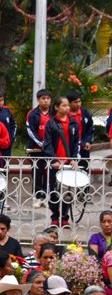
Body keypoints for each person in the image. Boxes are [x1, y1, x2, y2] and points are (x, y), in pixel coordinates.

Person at [42, 95, 81, 228]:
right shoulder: (51, 123)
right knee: (53, 190)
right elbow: (47, 144)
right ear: (57, 107)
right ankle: (55, 216)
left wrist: (74, 159)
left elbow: (76, 143)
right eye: (64, 105)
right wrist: (53, 160)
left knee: (67, 191)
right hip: (55, 164)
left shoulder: (73, 123)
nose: (67, 108)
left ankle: (64, 217)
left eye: (67, 105)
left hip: (68, 163)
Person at [26, 89, 52, 208]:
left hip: (50, 150)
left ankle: (47, 197)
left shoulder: (54, 114)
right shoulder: (32, 114)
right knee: (37, 173)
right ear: (38, 100)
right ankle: (37, 197)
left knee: (49, 174)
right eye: (43, 98)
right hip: (35, 149)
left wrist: (49, 146)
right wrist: (41, 144)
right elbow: (30, 131)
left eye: (48, 98)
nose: (46, 101)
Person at [67, 91, 94, 167]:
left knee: (83, 169)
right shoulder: (65, 114)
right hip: (69, 147)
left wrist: (88, 141)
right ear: (69, 103)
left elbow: (90, 128)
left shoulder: (85, 113)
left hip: (83, 146)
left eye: (79, 101)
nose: (78, 104)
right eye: (75, 102)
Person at [0, 90, 17, 159]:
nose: (1, 103)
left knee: (4, 167)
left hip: (6, 144)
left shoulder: (7, 110)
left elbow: (13, 124)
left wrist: (11, 138)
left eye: (2, 100)